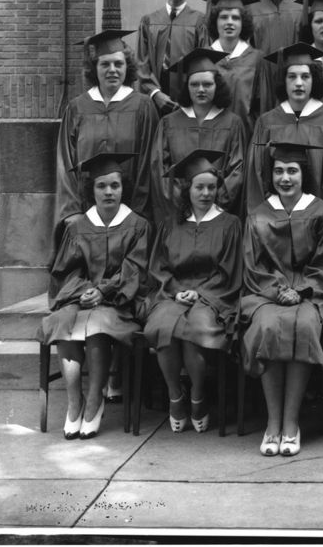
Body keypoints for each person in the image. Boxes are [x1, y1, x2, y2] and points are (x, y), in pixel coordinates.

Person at [240, 142, 323, 457]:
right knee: (266, 327)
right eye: (278, 171)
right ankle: (272, 422)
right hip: (267, 295)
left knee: (304, 326)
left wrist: (300, 289)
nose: (285, 178)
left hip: (311, 294)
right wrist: (279, 289)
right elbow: (253, 266)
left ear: (305, 174)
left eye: (292, 170)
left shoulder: (322, 211)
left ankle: (291, 422)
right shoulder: (259, 214)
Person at [38, 152, 149, 440]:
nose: (109, 192)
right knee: (62, 322)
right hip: (80, 300)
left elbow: (136, 270)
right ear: (92, 190)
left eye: (114, 185)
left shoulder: (138, 225)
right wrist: (82, 292)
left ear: (123, 188)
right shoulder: (76, 227)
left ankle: (95, 399)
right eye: (102, 186)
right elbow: (65, 272)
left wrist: (103, 291)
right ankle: (74, 402)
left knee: (96, 325)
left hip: (119, 303)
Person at [143, 149, 242, 433]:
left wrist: (200, 294)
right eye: (199, 187)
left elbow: (230, 271)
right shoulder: (170, 225)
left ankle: (198, 396)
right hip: (173, 294)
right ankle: (176, 396)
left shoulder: (230, 224)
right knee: (163, 325)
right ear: (188, 189)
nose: (206, 193)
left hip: (212, 297)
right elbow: (158, 267)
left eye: (212, 187)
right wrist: (175, 291)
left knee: (194, 329)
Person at [55, 29, 159, 229]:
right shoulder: (77, 108)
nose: (112, 70)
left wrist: (137, 214)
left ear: (127, 68)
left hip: (131, 217)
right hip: (85, 217)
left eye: (118, 64)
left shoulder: (143, 107)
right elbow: (65, 162)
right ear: (94, 69)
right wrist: (72, 211)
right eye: (105, 64)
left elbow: (149, 164)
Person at [246, 43, 323, 228]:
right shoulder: (266, 122)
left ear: (314, 80)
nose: (299, 83)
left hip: (319, 224)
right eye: (292, 76)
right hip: (274, 225)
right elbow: (256, 177)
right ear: (283, 81)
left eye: (305, 76)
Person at [150, 48, 247, 221]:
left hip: (219, 215)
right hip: (178, 215)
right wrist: (184, 205)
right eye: (194, 84)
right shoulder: (169, 123)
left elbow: (237, 170)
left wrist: (214, 203)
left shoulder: (232, 123)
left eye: (207, 84)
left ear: (217, 86)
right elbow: (160, 169)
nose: (201, 90)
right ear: (186, 87)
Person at [136, 0, 208, 116]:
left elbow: (203, 63)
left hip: (188, 99)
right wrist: (155, 93)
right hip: (154, 99)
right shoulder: (148, 21)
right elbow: (141, 63)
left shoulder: (199, 21)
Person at [203, 0, 273, 138]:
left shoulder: (257, 59)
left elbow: (262, 107)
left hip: (246, 136)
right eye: (224, 17)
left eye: (235, 18)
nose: (229, 22)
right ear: (215, 22)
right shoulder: (204, 57)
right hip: (210, 137)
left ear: (243, 23)